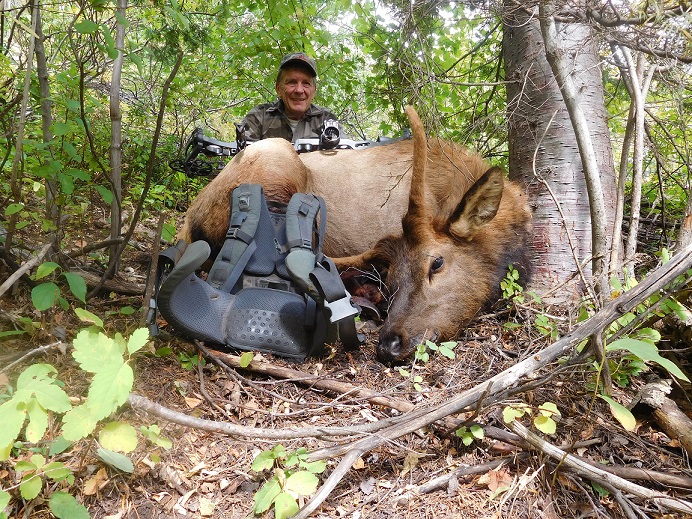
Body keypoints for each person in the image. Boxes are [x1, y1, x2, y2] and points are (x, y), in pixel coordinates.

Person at [241, 52, 339, 144]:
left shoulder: (327, 120)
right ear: (278, 89)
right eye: (292, 82)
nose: (299, 90)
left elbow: (343, 157)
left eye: (306, 83)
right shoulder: (258, 117)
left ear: (314, 92)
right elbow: (244, 158)